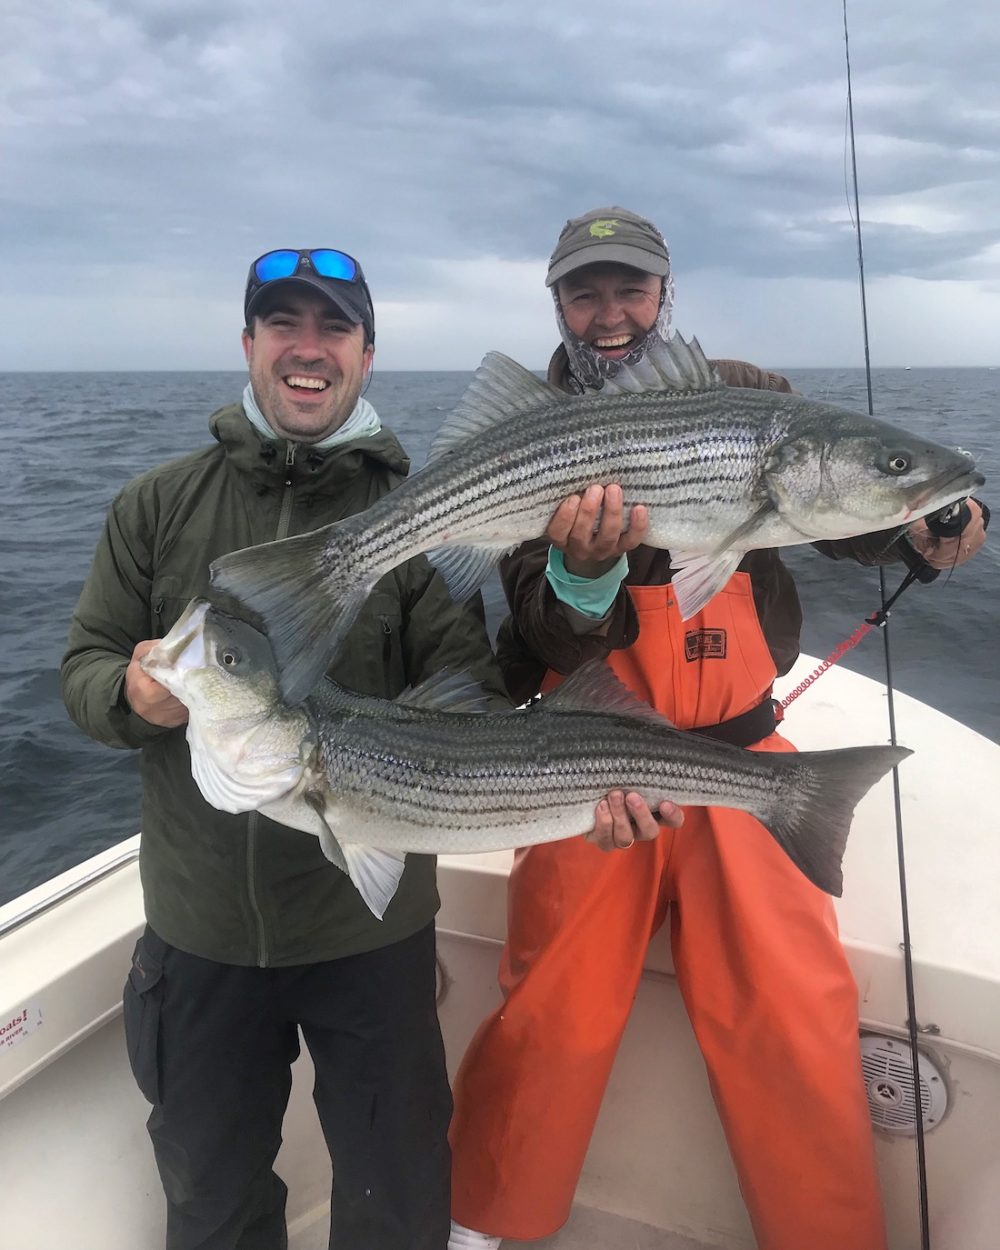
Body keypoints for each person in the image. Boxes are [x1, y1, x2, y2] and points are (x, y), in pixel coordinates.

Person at [447, 207, 988, 1250]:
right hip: (590, 765)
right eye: (585, 293)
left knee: (793, 1012)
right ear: (555, 304)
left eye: (630, 290)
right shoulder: (526, 435)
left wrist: (925, 518)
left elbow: (845, 510)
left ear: (666, 295)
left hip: (746, 752)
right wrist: (579, 569)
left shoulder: (749, 393)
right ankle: (482, 1225)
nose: (610, 316)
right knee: (548, 1013)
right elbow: (533, 628)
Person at [60, 247, 519, 1250]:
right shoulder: (156, 504)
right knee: (211, 1199)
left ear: (366, 353)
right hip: (199, 929)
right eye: (283, 323)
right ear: (249, 343)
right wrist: (133, 692)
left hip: (371, 930)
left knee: (395, 1195)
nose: (307, 348)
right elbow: (85, 665)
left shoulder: (419, 517)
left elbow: (468, 696)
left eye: (332, 327)